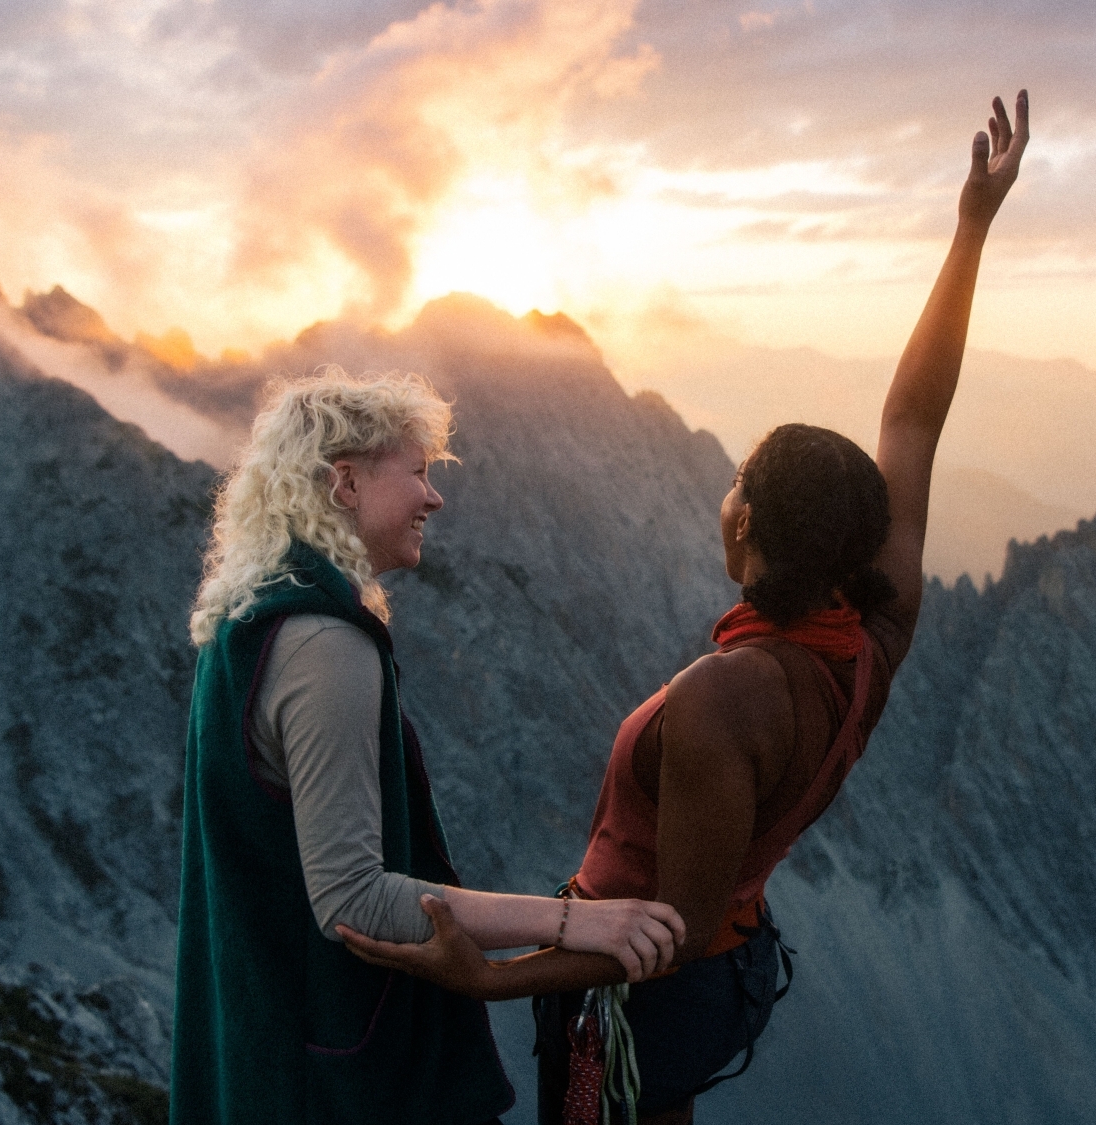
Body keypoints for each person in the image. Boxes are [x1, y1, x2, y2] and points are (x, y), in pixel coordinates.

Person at [341, 89, 1030, 1124]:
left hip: (638, 1003)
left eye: (735, 482)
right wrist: (972, 226)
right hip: (722, 977)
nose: (722, 492)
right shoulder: (875, 636)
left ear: (747, 529)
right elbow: (912, 421)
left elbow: (672, 933)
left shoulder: (724, 700)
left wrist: (489, 979)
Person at [171, 370, 687, 1125]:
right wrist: (578, 923)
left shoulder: (253, 622)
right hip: (334, 1080)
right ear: (346, 482)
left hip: (266, 1046)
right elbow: (351, 899)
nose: (434, 497)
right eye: (416, 471)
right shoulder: (324, 646)